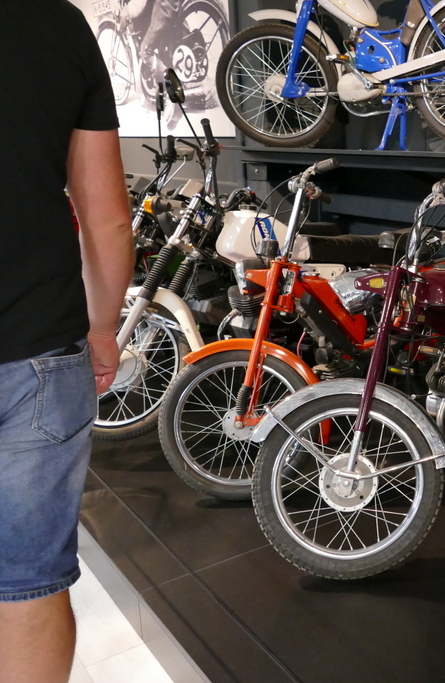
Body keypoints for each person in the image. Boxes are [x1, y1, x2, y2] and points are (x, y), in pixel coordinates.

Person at [0, 3, 135, 682]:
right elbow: (107, 219)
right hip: (37, 350)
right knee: (28, 581)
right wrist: (103, 327)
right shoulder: (55, 23)